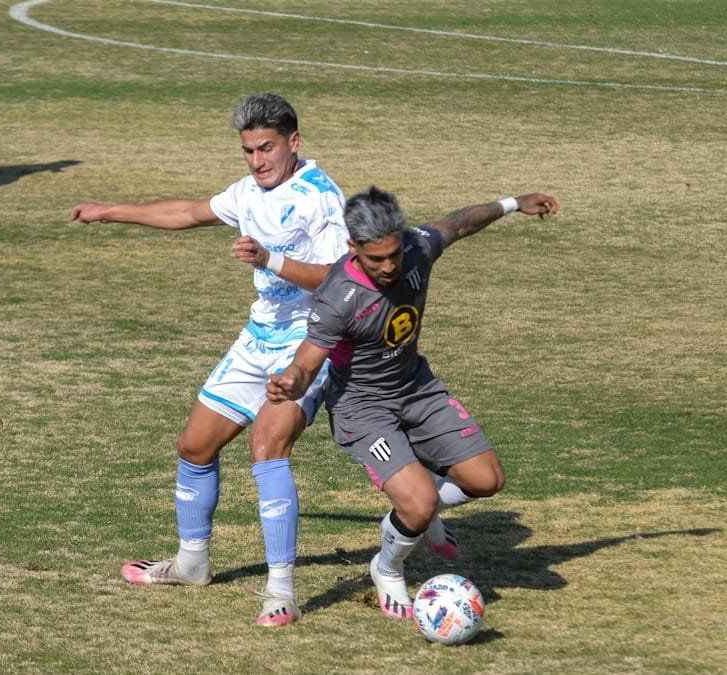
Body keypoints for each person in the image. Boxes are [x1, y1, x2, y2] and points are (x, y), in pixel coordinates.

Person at [69, 93, 347, 627]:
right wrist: (111, 212)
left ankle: (280, 591)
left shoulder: (320, 197)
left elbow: (341, 281)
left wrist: (271, 259)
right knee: (194, 445)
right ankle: (192, 563)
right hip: (258, 336)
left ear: (294, 142)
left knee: (267, 447)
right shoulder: (248, 192)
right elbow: (189, 212)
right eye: (247, 150)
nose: (257, 160)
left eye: (266, 148)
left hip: (311, 340)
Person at [266, 186, 558, 619]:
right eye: (375, 259)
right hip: (363, 409)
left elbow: (459, 221)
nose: (388, 267)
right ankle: (387, 566)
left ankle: (417, 506)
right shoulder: (337, 296)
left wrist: (514, 204)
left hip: (416, 388)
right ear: (353, 248)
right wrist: (292, 380)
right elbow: (308, 362)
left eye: (394, 255)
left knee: (487, 479)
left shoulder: (417, 248)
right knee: (418, 505)